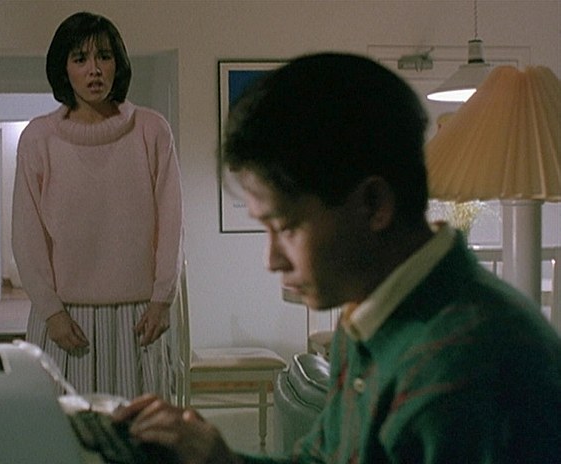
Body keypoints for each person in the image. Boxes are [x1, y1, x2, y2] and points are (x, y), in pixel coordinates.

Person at [113, 52, 561, 463]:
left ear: (373, 205)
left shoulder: (463, 366)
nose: (272, 260)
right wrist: (217, 457)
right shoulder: (367, 314)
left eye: (286, 226)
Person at [11, 11, 183, 400]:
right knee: (63, 429)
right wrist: (51, 311)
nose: (95, 70)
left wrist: (162, 298)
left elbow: (172, 222)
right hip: (64, 316)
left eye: (104, 57)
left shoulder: (151, 130)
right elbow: (27, 234)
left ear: (117, 64)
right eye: (80, 59)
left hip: (138, 316)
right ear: (64, 68)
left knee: (138, 428)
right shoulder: (38, 138)